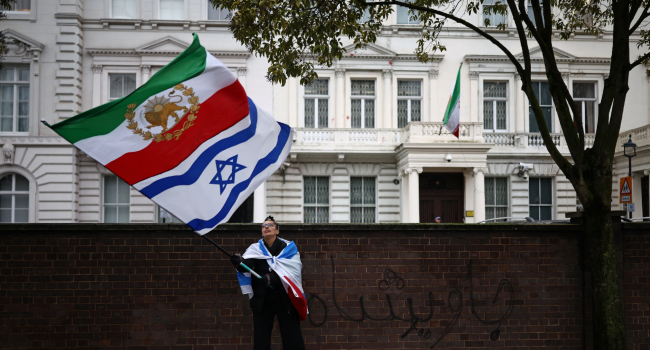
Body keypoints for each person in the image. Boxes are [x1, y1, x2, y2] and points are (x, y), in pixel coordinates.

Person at [230, 215, 307, 350]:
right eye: (264, 226)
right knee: (261, 341)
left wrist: (272, 279)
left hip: (286, 301)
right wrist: (238, 262)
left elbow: (293, 272)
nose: (266, 227)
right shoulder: (255, 249)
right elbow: (246, 266)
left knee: (292, 340)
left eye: (270, 225)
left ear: (277, 231)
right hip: (263, 301)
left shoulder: (289, 249)